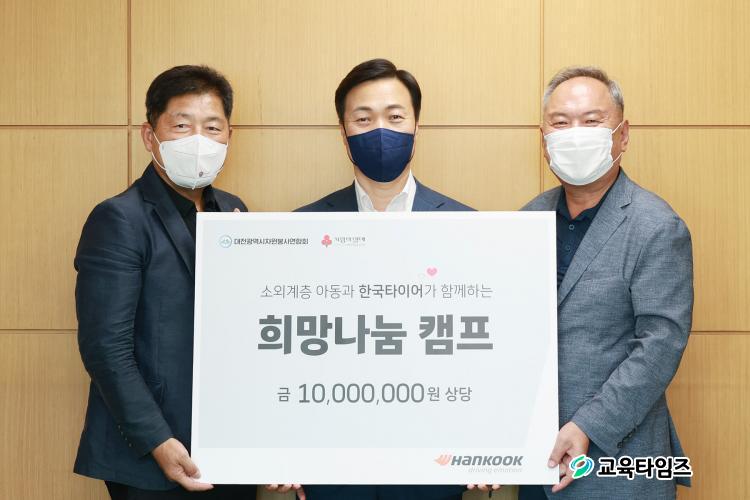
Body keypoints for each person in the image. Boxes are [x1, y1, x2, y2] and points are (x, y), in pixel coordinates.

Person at [283, 58, 470, 500]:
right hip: (331, 466)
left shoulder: (468, 228)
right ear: (343, 133)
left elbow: (479, 351)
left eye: (395, 117)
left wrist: (491, 445)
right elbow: (285, 350)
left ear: (417, 127)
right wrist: (278, 448)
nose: (380, 130)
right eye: (363, 119)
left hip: (432, 468)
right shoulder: (299, 229)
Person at [73, 65, 256, 500]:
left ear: (229, 136)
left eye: (212, 127)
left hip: (227, 446)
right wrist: (158, 440)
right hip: (150, 456)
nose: (199, 140)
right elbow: (106, 348)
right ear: (149, 135)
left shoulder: (234, 211)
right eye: (181, 126)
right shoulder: (119, 218)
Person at [515, 66, 693, 499]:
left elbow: (659, 346)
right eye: (560, 123)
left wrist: (588, 425)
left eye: (592, 121)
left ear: (623, 134)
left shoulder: (656, 226)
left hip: (618, 460)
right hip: (536, 459)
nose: (575, 134)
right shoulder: (527, 219)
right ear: (544, 141)